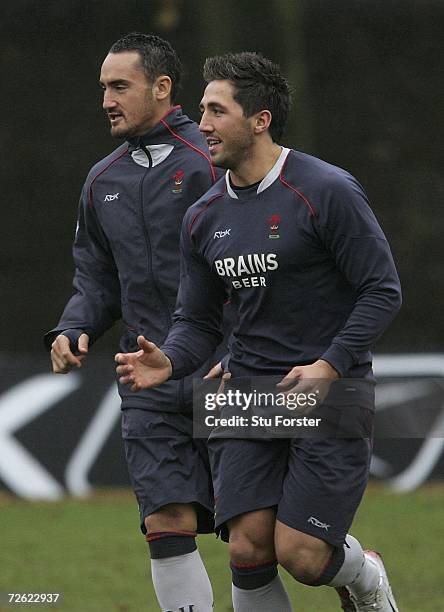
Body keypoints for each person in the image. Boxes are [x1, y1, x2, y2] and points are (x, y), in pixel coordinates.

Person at [115, 52, 402, 612]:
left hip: (327, 392)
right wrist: (171, 361)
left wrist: (330, 363)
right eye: (201, 110)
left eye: (217, 111)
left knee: (301, 554)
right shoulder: (201, 216)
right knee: (246, 546)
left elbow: (382, 289)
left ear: (260, 119)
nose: (202, 125)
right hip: (244, 392)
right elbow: (196, 321)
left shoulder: (326, 190)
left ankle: (364, 576)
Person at [44, 32, 227, 612]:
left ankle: (356, 569)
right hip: (145, 376)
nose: (106, 100)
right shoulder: (102, 181)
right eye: (103, 88)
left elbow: (261, 268)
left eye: (119, 86)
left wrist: (244, 347)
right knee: (166, 527)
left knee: (265, 540)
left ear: (162, 87)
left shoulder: (213, 160)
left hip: (229, 371)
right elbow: (96, 279)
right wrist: (73, 327)